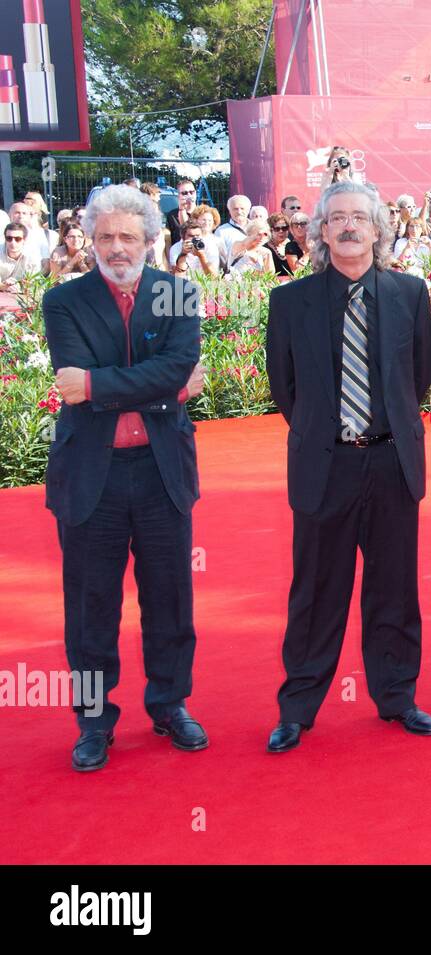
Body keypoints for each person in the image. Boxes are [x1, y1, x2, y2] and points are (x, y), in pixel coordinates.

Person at [264, 180, 431, 752]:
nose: (347, 226)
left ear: (377, 228)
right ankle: (298, 707)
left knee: (394, 587)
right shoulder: (290, 302)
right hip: (326, 465)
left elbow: (418, 378)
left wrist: (381, 431)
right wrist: (329, 434)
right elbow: (286, 390)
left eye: (359, 217)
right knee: (316, 590)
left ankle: (397, 697)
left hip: (391, 462)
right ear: (319, 230)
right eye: (336, 217)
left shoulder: (410, 293)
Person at [43, 184, 207, 772]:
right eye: (106, 235)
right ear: (91, 239)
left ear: (149, 239)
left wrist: (97, 385)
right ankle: (92, 723)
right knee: (90, 611)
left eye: (128, 236)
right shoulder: (63, 302)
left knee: (171, 601)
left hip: (163, 474)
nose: (117, 247)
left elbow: (171, 368)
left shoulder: (177, 295)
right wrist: (161, 383)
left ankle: (169, 706)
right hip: (92, 477)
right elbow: (77, 379)